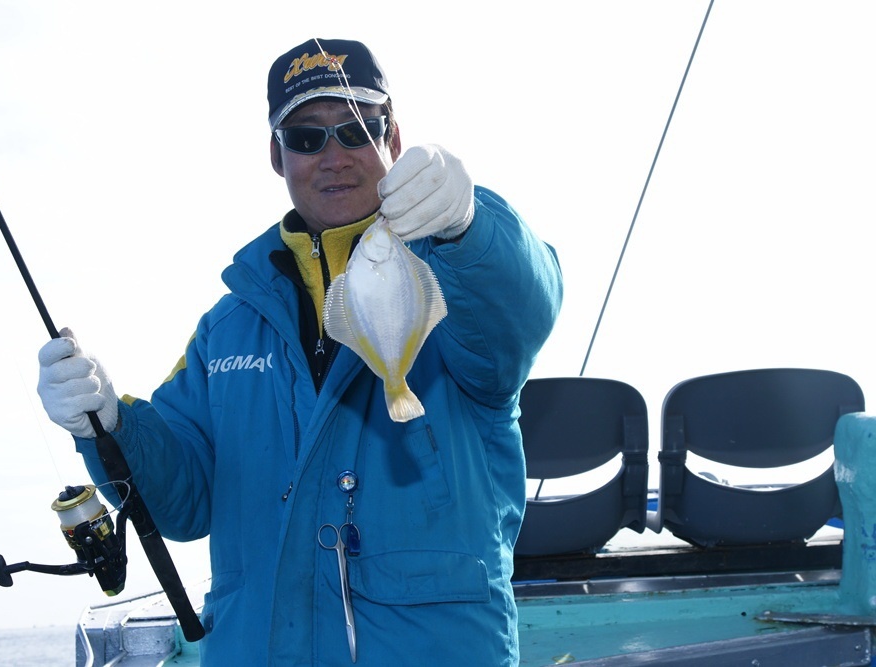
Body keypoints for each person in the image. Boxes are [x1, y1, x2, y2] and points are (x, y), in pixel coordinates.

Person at [37, 37, 563, 666]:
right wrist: (108, 424)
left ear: (394, 138)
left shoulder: (455, 276)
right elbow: (183, 500)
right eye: (307, 138)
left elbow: (523, 306)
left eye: (356, 130)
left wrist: (470, 223)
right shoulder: (226, 328)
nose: (334, 156)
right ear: (276, 155)